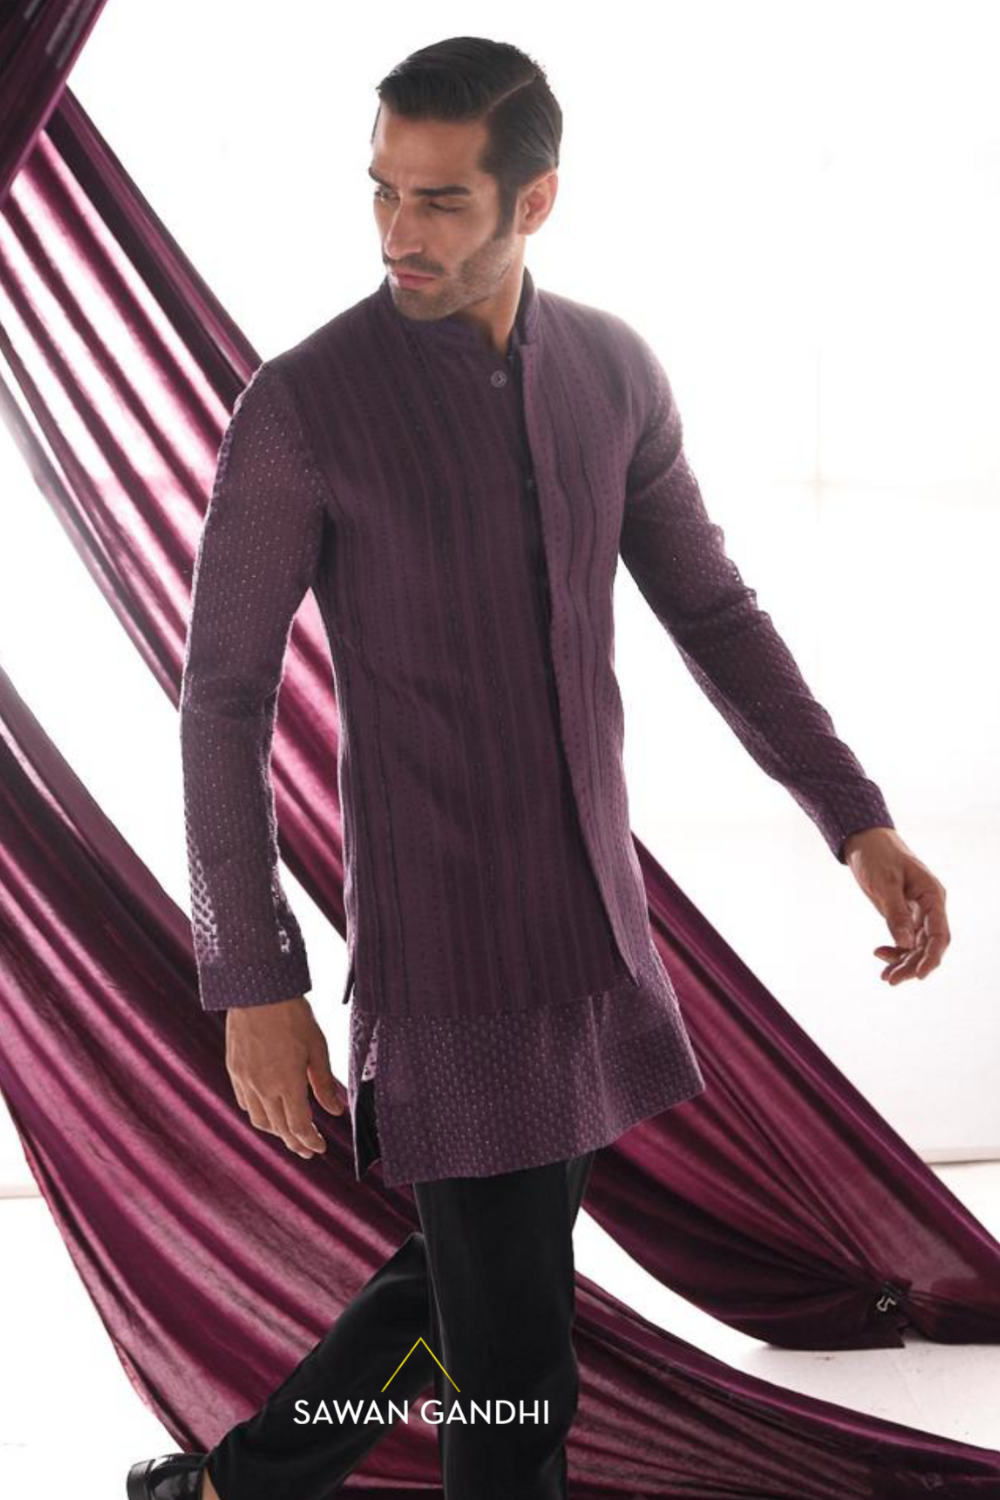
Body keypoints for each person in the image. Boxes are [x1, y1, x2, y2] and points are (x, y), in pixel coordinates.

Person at [127, 34, 950, 1500]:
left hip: (595, 931)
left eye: (441, 200)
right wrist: (253, 977)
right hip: (448, 958)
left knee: (465, 1282)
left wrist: (855, 819)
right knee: (518, 1380)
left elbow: (712, 609)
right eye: (382, 189)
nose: (398, 231)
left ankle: (229, 1489)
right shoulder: (304, 405)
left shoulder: (616, 372)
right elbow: (223, 701)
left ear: (537, 199)